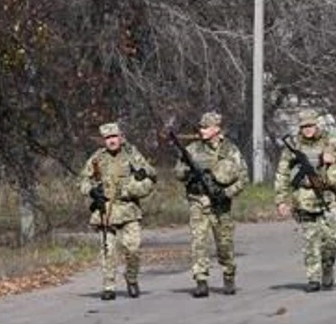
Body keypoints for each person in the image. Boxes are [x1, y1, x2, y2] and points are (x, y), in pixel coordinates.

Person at [274, 109, 336, 292]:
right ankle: (313, 278)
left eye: (310, 125)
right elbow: (282, 174)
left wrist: (334, 157)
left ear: (317, 125)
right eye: (304, 126)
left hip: (326, 196)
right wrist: (281, 201)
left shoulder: (330, 141)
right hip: (303, 198)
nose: (308, 129)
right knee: (310, 240)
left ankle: (327, 267)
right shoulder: (293, 146)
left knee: (330, 241)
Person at [174, 111, 249, 298]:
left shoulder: (230, 150)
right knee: (198, 241)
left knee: (224, 244)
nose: (202, 130)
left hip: (220, 204)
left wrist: (226, 193)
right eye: (201, 127)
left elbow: (243, 177)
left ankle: (229, 275)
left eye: (206, 127)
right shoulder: (192, 150)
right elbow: (178, 171)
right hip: (198, 201)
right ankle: (201, 280)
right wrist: (187, 173)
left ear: (216, 129)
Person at [79, 122, 157, 301]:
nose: (111, 141)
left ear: (121, 137)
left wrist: (141, 176)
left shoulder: (132, 155)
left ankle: (131, 278)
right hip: (106, 212)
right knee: (108, 251)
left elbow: (152, 173)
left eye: (114, 137)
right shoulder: (97, 159)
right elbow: (82, 180)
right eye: (107, 138)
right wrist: (91, 190)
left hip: (129, 210)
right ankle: (109, 286)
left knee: (133, 249)